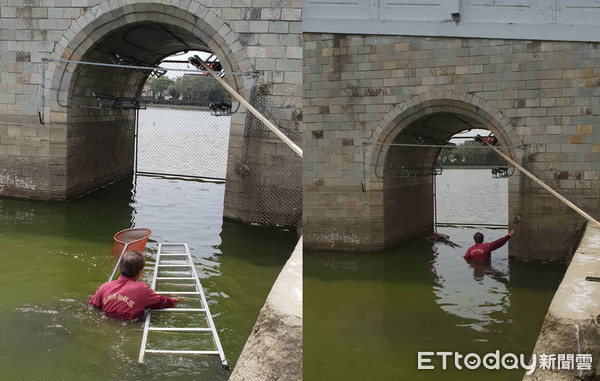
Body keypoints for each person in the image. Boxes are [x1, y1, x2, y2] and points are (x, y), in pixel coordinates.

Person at [90, 250, 183, 320]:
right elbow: (160, 302)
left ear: (120, 268)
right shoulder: (142, 288)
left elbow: (93, 305)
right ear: (140, 272)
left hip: (107, 322)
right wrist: (175, 300)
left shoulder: (104, 286)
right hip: (131, 324)